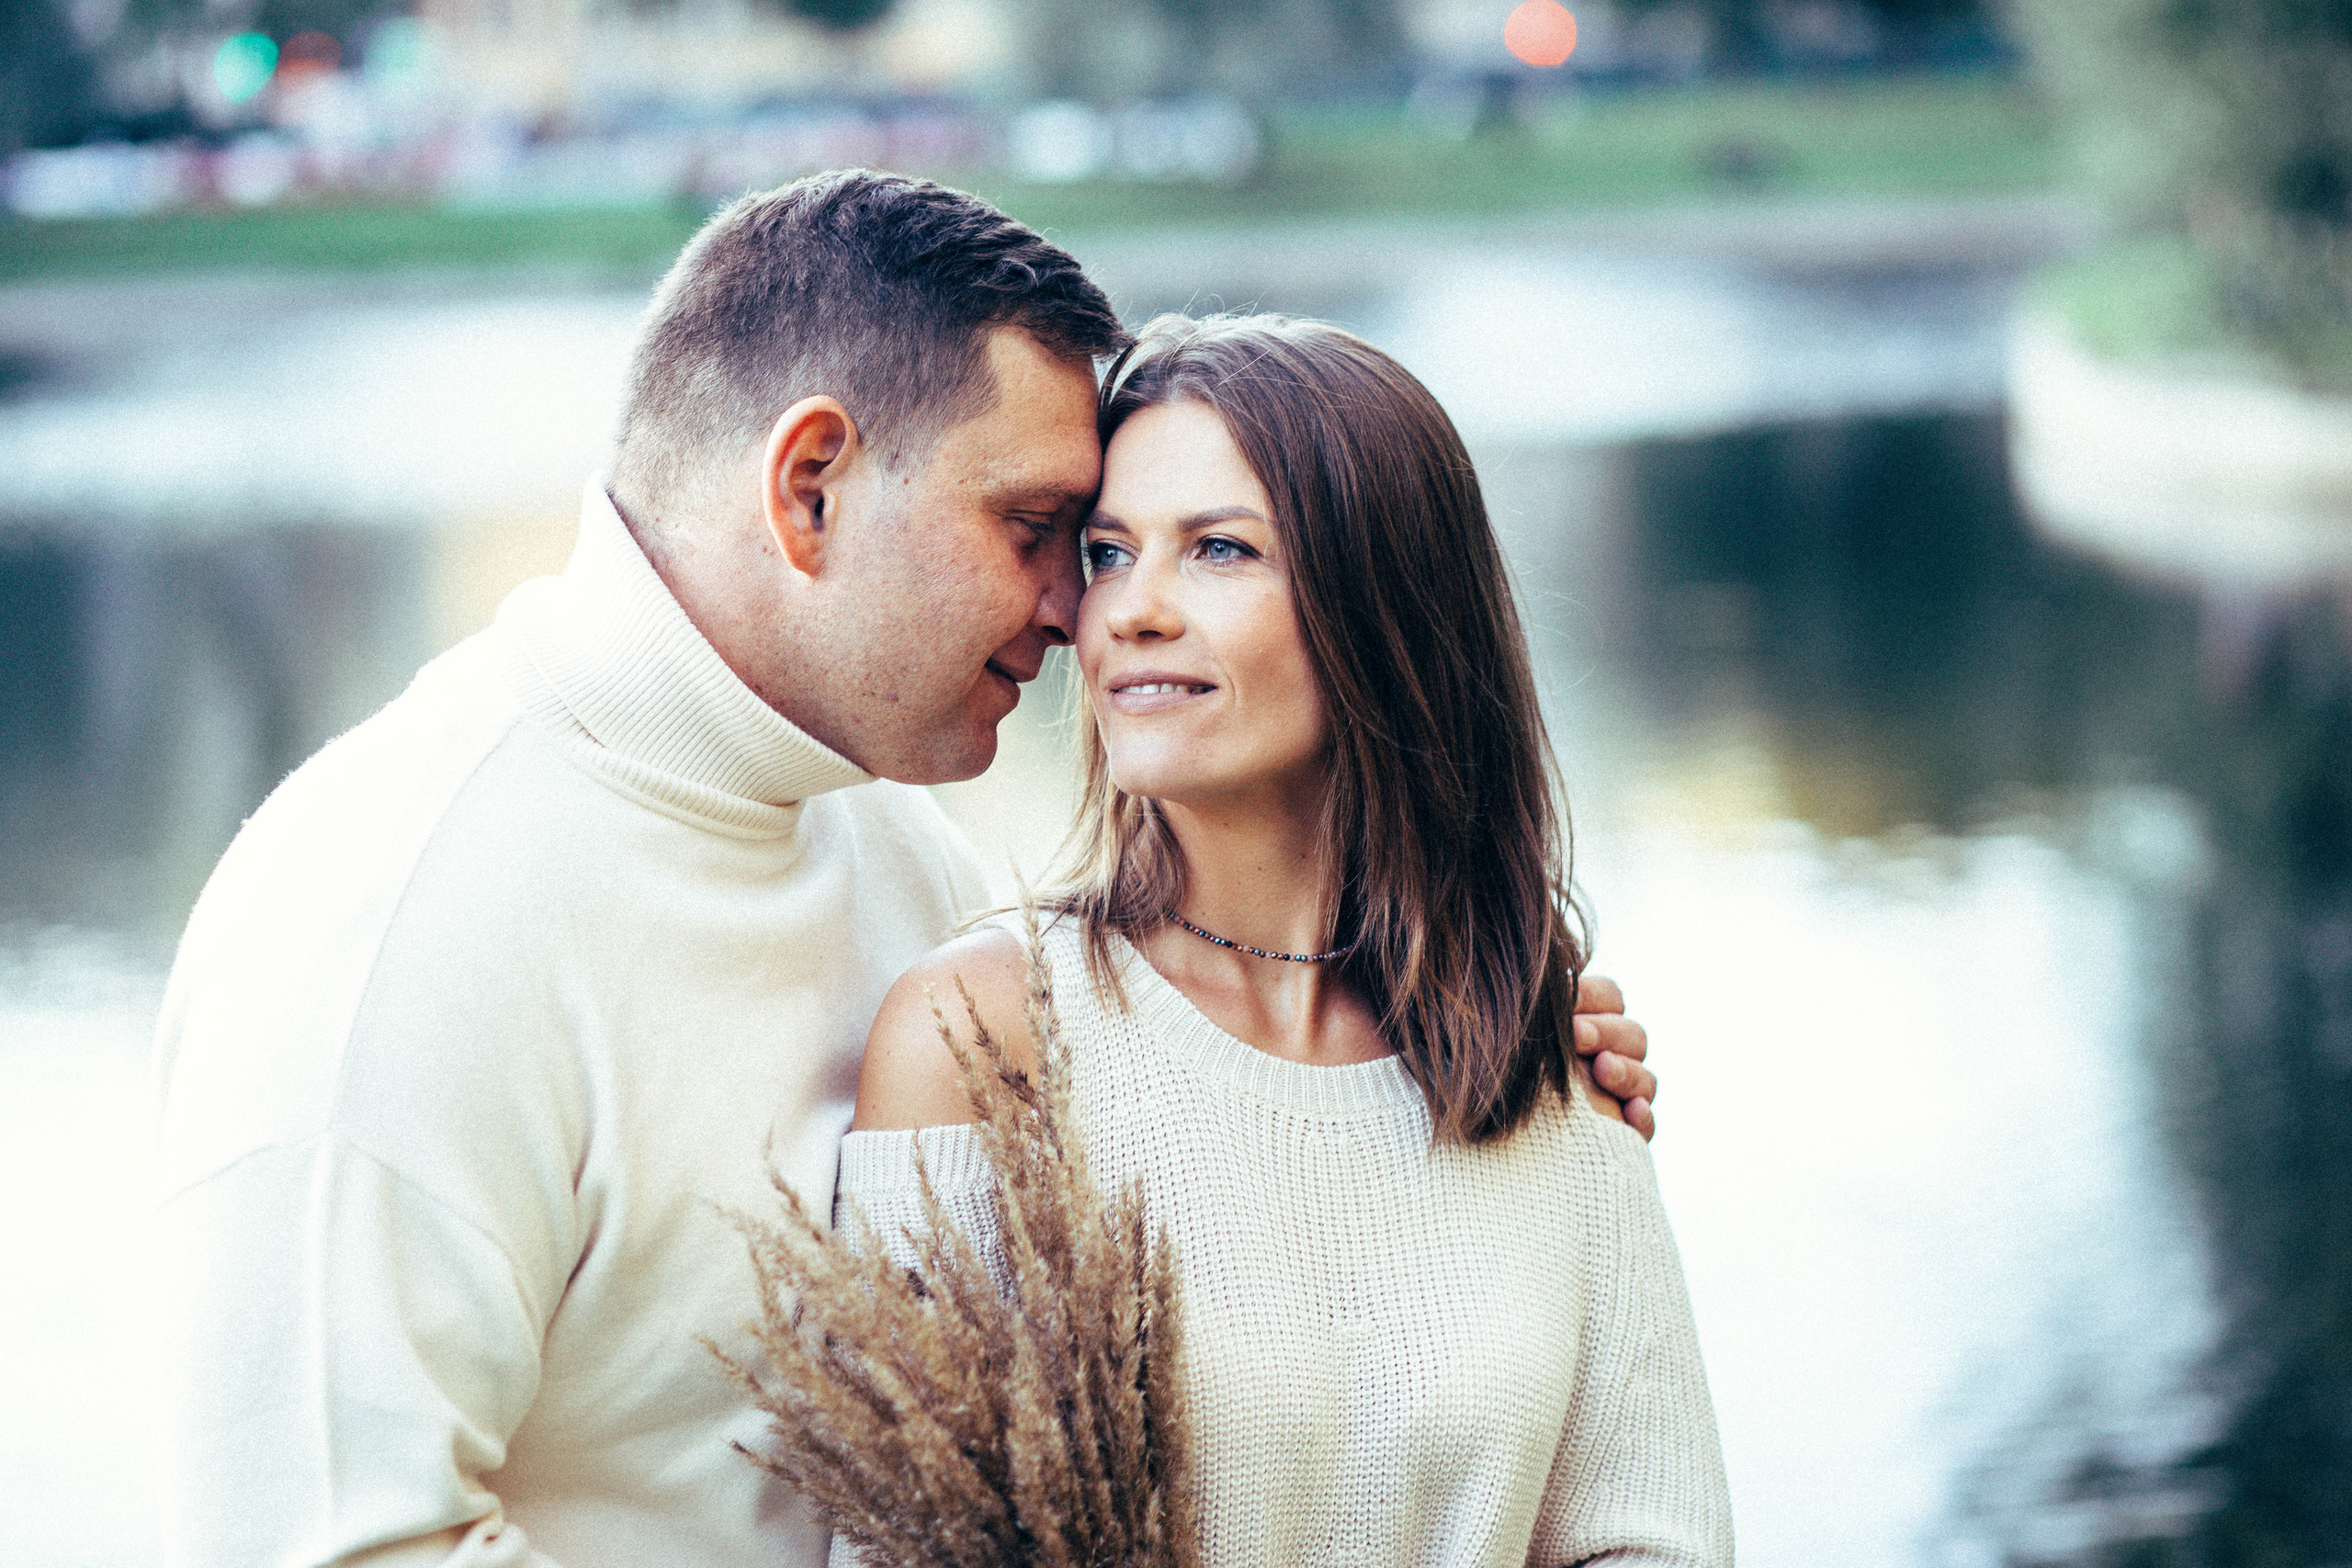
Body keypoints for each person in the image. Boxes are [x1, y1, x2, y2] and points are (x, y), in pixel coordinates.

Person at [149, 173, 1659, 1567]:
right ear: (809, 487)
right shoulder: (385, 919)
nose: (1082, 613)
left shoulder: (878, 839)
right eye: (1043, 531)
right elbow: (331, 1546)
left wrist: (1483, 1049)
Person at [842, 313, 1732, 1565]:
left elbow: (1653, 1539)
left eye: (1218, 549)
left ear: (1387, 604)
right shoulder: (983, 1038)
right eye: (1107, 553)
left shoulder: (1540, 1048)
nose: (1130, 611)